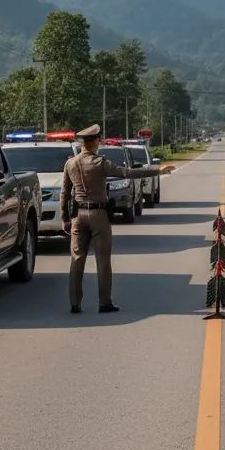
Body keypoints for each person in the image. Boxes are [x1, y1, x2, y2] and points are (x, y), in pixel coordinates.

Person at [60, 124, 175, 314]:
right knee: (103, 260)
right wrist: (158, 170)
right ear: (95, 142)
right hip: (98, 215)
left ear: (82, 143)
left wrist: (65, 217)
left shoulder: (70, 164)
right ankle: (104, 302)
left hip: (78, 216)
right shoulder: (100, 163)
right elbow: (127, 173)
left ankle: (75, 303)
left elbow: (65, 192)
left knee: (77, 259)